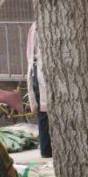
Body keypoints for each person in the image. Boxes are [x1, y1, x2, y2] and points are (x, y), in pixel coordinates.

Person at [25, 23, 51, 158]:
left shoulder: (35, 25)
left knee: (44, 113)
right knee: (44, 114)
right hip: (40, 72)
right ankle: (46, 151)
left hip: (38, 72)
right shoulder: (37, 26)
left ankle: (47, 151)